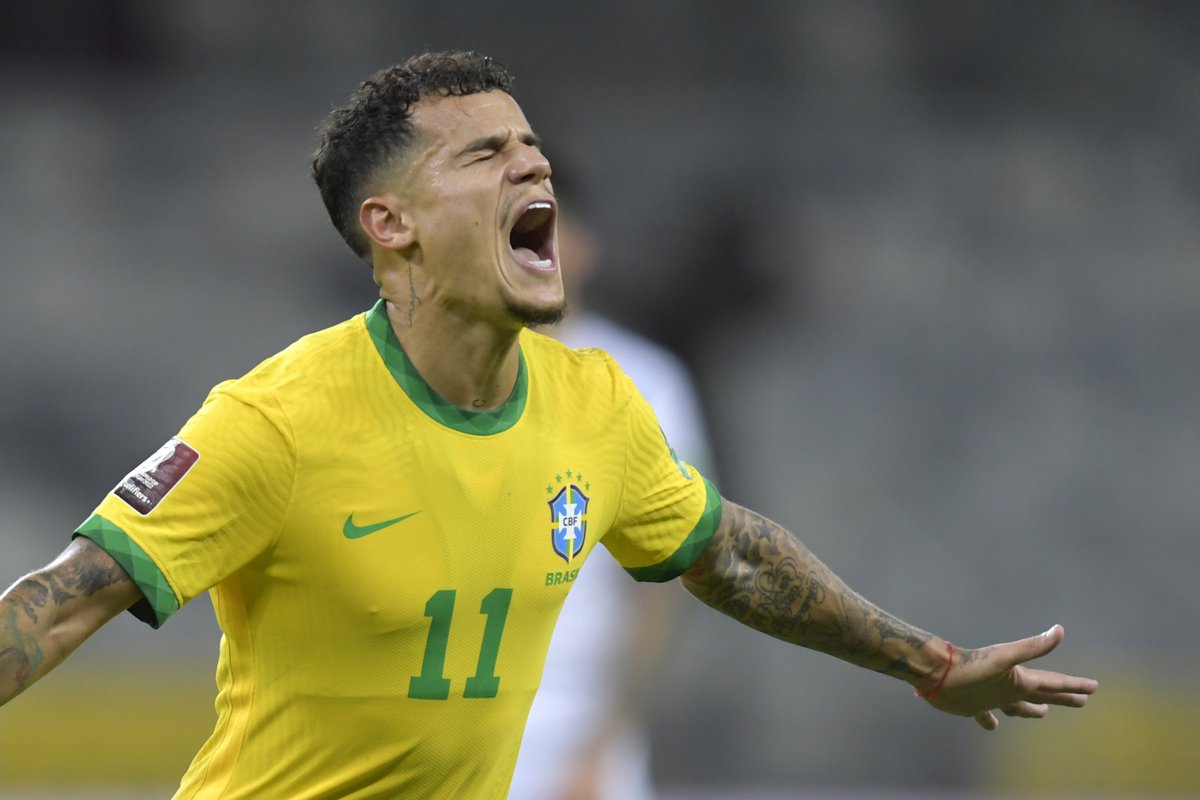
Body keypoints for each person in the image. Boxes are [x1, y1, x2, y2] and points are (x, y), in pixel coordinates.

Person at [0, 51, 1097, 799]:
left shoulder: (599, 404)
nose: (532, 163)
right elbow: (60, 604)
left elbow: (732, 556)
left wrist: (931, 662)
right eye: (482, 154)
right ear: (392, 225)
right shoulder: (275, 422)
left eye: (530, 148)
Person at [509, 189, 715, 800]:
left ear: (584, 245)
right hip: (461, 720)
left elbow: (672, 577)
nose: (534, 254)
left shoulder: (645, 381)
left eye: (547, 232)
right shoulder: (448, 377)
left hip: (581, 721)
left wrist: (608, 738)